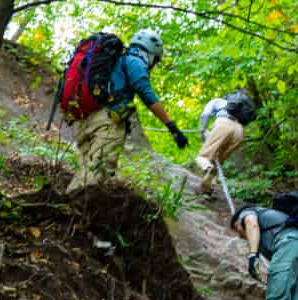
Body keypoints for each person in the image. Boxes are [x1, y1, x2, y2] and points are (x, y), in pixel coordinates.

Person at [66, 29, 189, 193]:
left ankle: (68, 211)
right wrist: (172, 126)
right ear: (152, 53)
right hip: (107, 123)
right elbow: (146, 93)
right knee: (96, 175)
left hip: (87, 119)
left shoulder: (115, 60)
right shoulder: (134, 61)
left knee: (84, 172)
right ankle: (78, 213)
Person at [194, 91, 255, 195]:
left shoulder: (216, 101)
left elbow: (205, 114)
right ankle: (207, 191)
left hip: (223, 124)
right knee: (217, 161)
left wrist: (203, 129)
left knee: (203, 158)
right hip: (239, 131)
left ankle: (208, 168)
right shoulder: (240, 109)